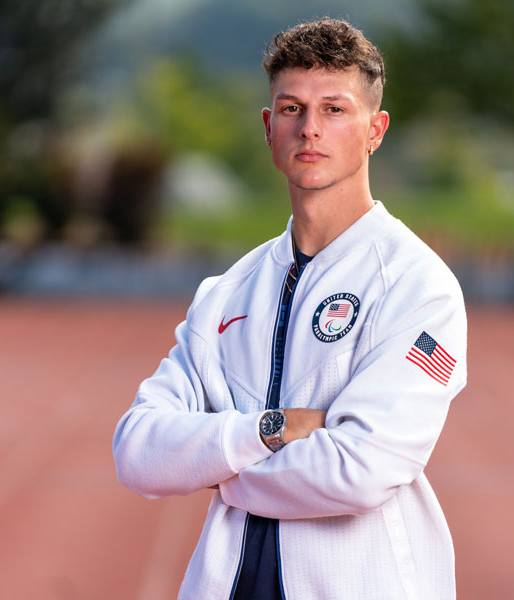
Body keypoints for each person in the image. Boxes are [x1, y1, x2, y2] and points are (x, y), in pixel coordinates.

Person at [113, 18, 467, 600]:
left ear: (375, 129)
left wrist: (219, 469)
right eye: (291, 108)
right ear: (268, 126)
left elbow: (360, 470)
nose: (309, 129)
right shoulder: (227, 292)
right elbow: (139, 450)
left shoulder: (417, 285)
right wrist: (273, 428)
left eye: (334, 109)